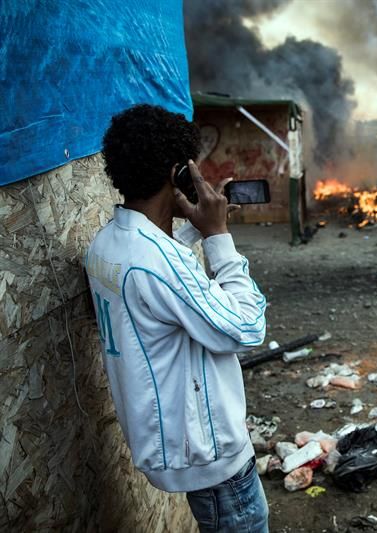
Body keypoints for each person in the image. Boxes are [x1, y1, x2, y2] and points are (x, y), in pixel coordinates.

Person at [85, 104, 269, 532]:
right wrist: (219, 239)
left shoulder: (107, 243)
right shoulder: (155, 262)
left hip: (175, 445)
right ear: (178, 174)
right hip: (213, 459)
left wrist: (192, 228)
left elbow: (166, 290)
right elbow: (246, 328)